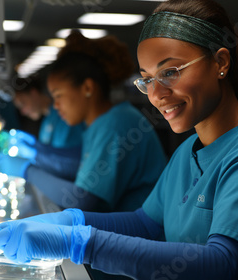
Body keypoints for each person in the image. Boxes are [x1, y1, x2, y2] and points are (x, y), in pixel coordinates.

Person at [0, 0, 238, 279]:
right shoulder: (188, 152)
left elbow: (223, 264)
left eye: (170, 72)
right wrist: (72, 221)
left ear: (221, 62)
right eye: (146, 80)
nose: (157, 94)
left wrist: (81, 242)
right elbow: (146, 223)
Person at [17, 31, 167, 212]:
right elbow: (80, 168)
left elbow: (82, 200)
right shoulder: (99, 125)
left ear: (87, 88)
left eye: (59, 96)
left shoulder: (115, 125)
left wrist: (28, 171)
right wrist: (36, 151)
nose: (55, 106)